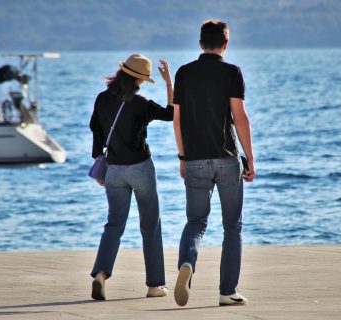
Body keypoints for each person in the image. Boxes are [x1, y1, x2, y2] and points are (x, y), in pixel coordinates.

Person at [172, 20, 256, 307]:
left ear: (199, 43)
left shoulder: (183, 73)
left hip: (194, 160)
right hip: (227, 158)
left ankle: (187, 263)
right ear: (226, 44)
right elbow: (240, 117)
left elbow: (177, 120)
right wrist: (251, 159)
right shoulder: (232, 72)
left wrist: (182, 157)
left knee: (196, 221)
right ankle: (227, 291)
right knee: (232, 226)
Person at [89, 54, 174, 300]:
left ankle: (101, 274)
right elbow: (171, 114)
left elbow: (96, 130)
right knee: (150, 226)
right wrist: (169, 83)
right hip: (140, 168)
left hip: (114, 170)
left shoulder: (102, 99)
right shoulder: (140, 103)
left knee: (113, 225)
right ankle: (155, 286)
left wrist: (99, 161)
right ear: (139, 80)